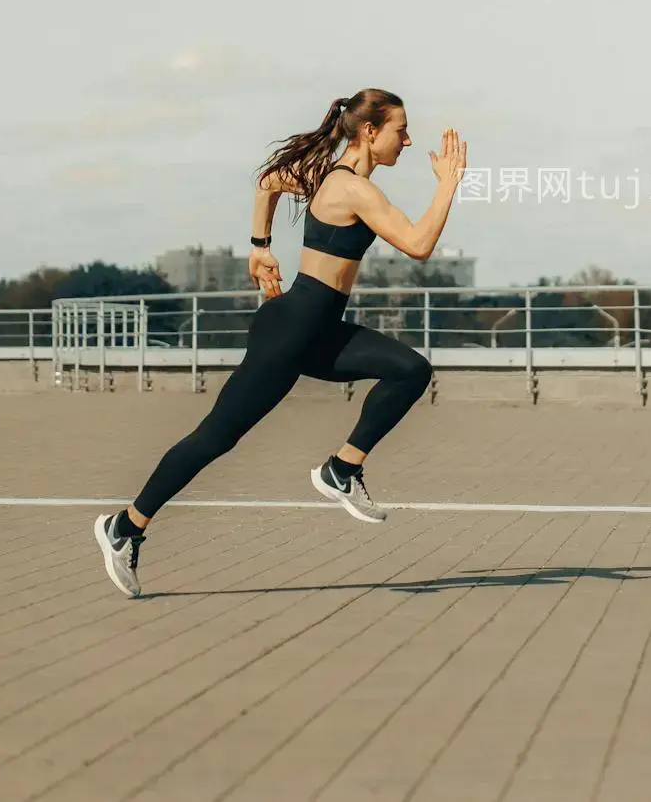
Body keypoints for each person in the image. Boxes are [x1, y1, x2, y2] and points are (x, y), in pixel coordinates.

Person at [93, 88, 466, 597]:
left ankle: (341, 468)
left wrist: (259, 248)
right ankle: (126, 527)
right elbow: (419, 245)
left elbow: (269, 182)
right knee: (216, 438)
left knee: (410, 370)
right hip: (291, 332)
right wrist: (448, 185)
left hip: (317, 329)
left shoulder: (329, 176)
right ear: (369, 131)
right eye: (401, 130)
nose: (407, 139)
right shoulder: (351, 189)